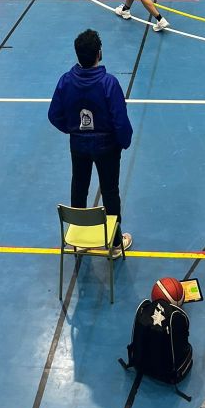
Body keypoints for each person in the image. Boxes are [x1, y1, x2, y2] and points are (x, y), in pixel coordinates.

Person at [48, 29, 132, 257]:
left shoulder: (66, 81)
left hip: (79, 146)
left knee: (79, 187)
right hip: (107, 148)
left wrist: (74, 130)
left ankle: (80, 240)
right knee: (110, 191)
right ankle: (115, 243)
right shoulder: (109, 83)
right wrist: (123, 142)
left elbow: (54, 115)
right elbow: (120, 120)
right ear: (99, 53)